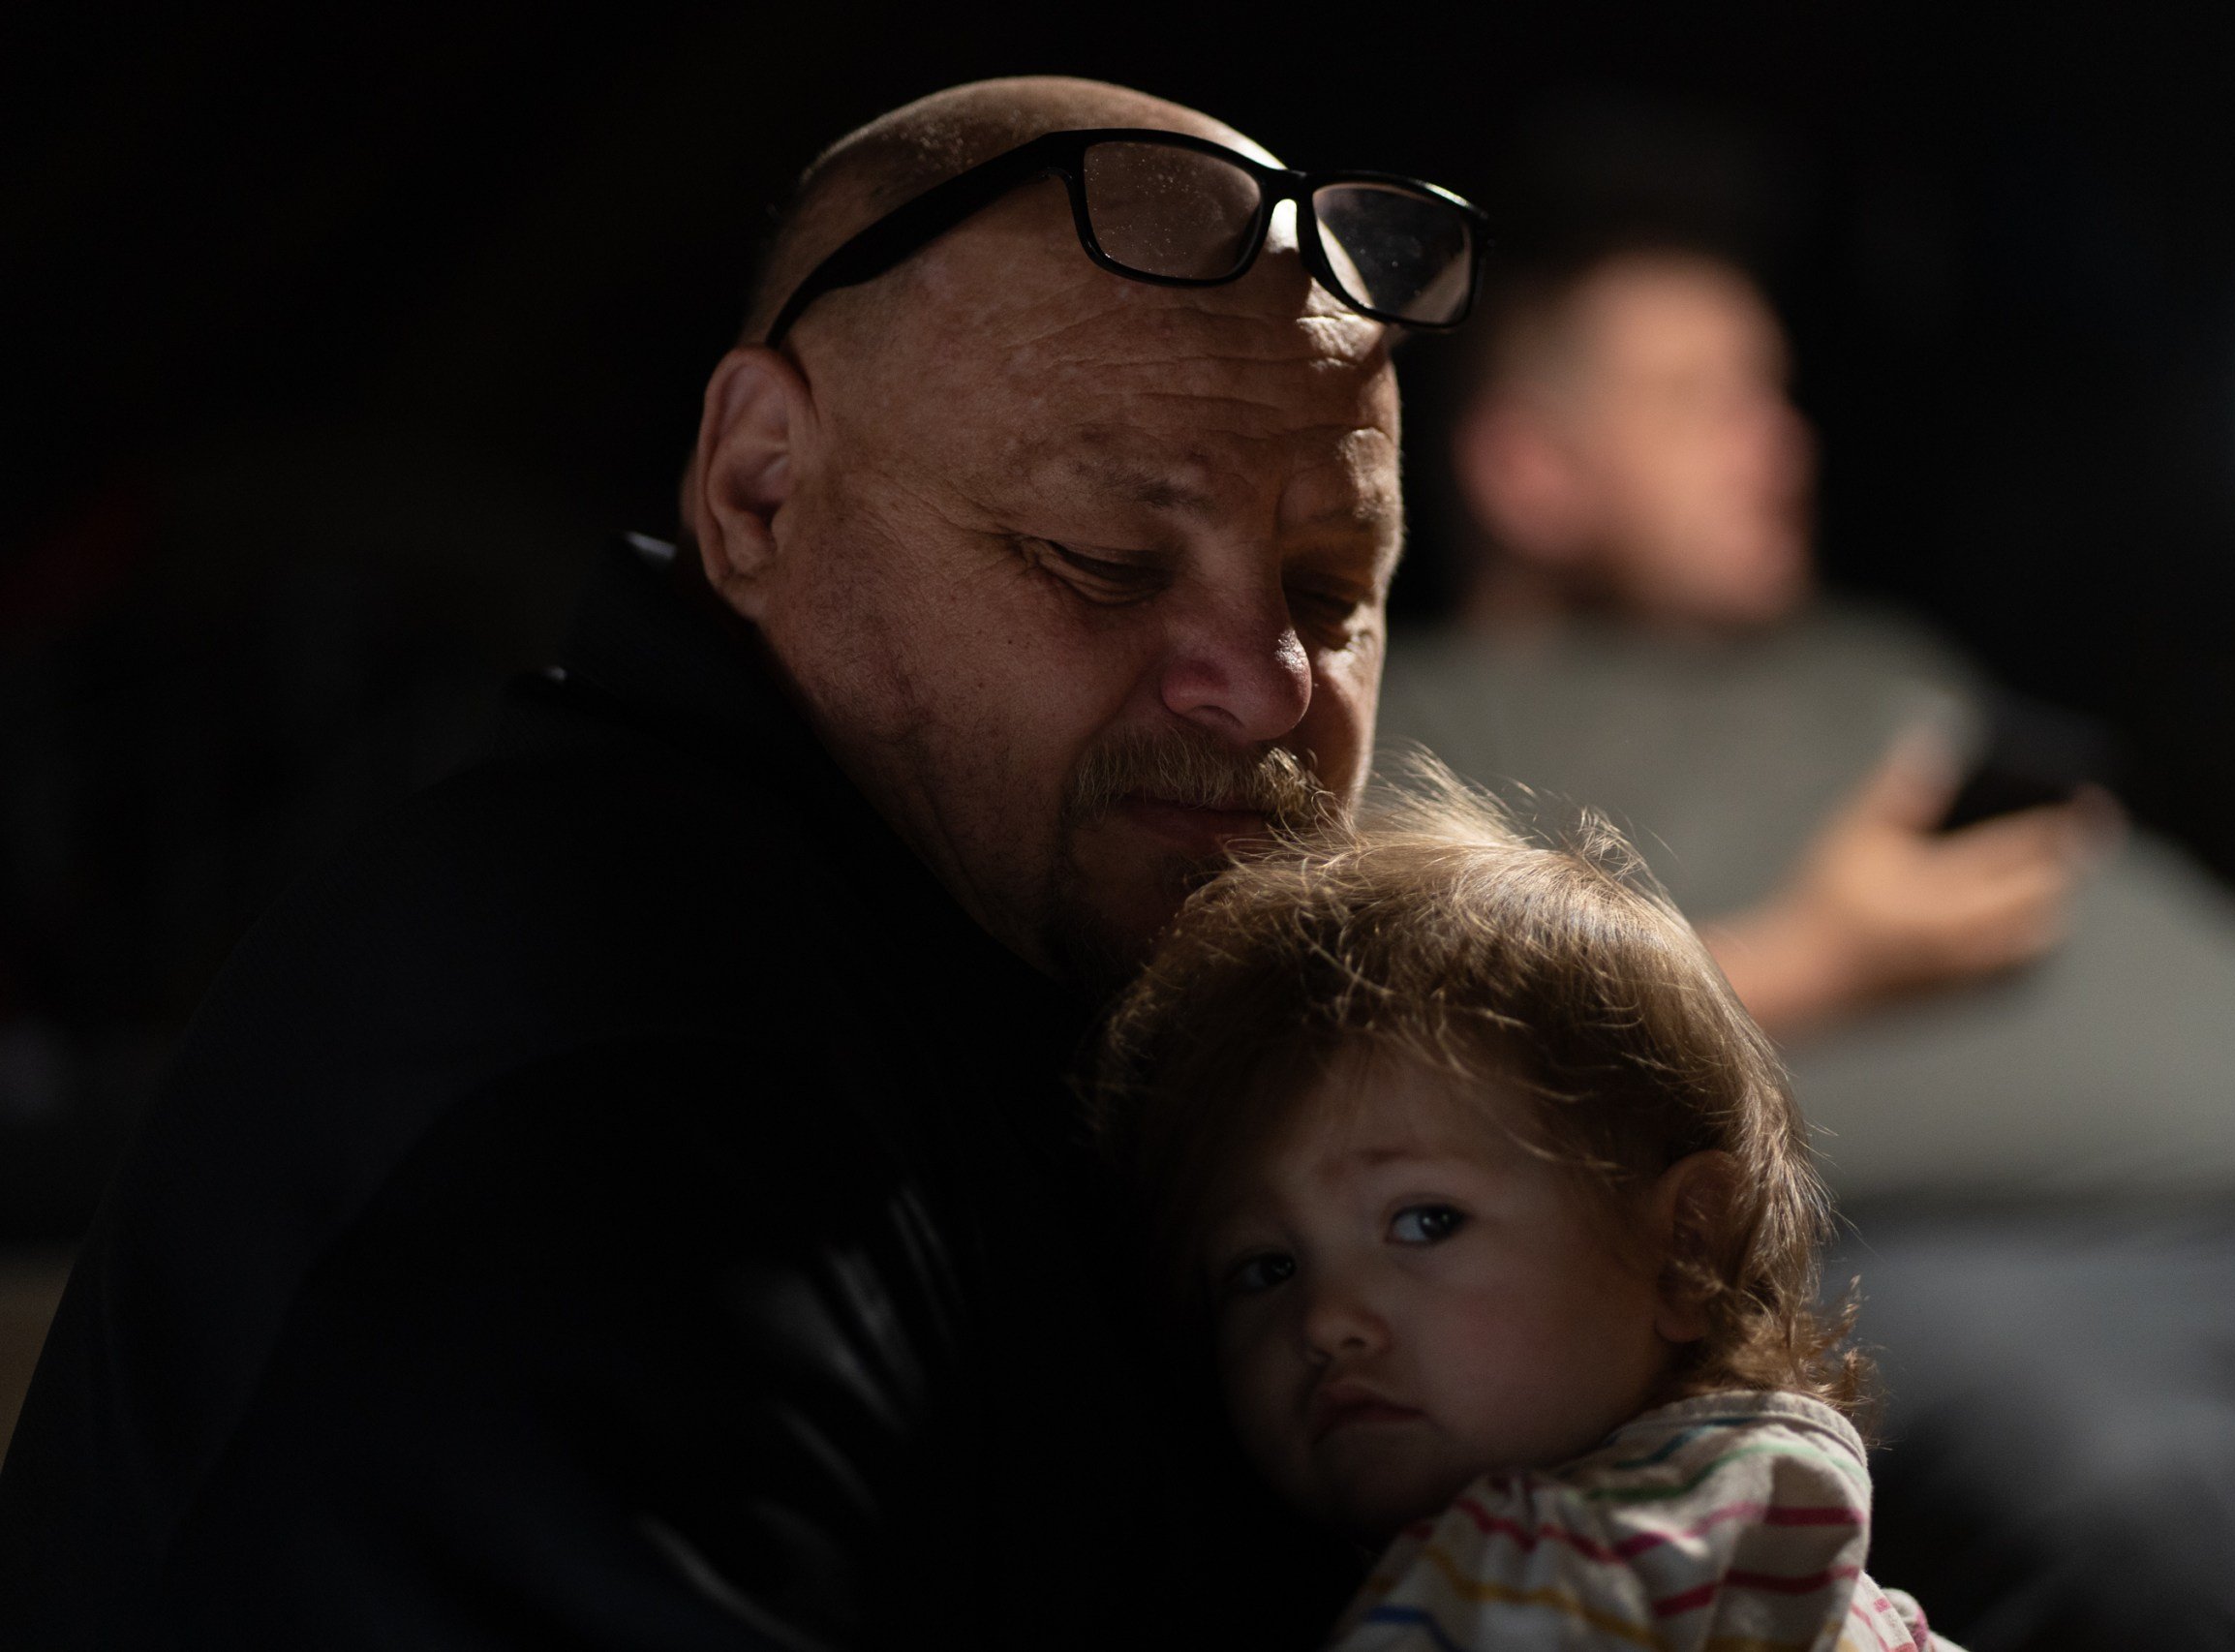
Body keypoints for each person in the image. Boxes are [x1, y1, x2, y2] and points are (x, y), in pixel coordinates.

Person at [0, 76, 1487, 1647]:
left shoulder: (1055, 1020)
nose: (1266, 684)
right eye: (1101, 559)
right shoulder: (615, 1061)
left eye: (1333, 587)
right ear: (757, 487)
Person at [1379, 240, 2235, 1648]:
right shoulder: (1440, 721)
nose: (1776, 442)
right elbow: (1422, 1072)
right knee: (2133, 1507)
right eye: (1695, 396)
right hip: (2029, 1269)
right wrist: (1824, 953)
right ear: (1529, 466)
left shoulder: (1872, 655)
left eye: (1768, 391)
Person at [1091, 773, 1955, 1651]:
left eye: (1425, 1221)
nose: (1325, 1322)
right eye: (1263, 1269)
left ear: (1688, 1246)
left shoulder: (1562, 1563)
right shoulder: (1778, 1562)